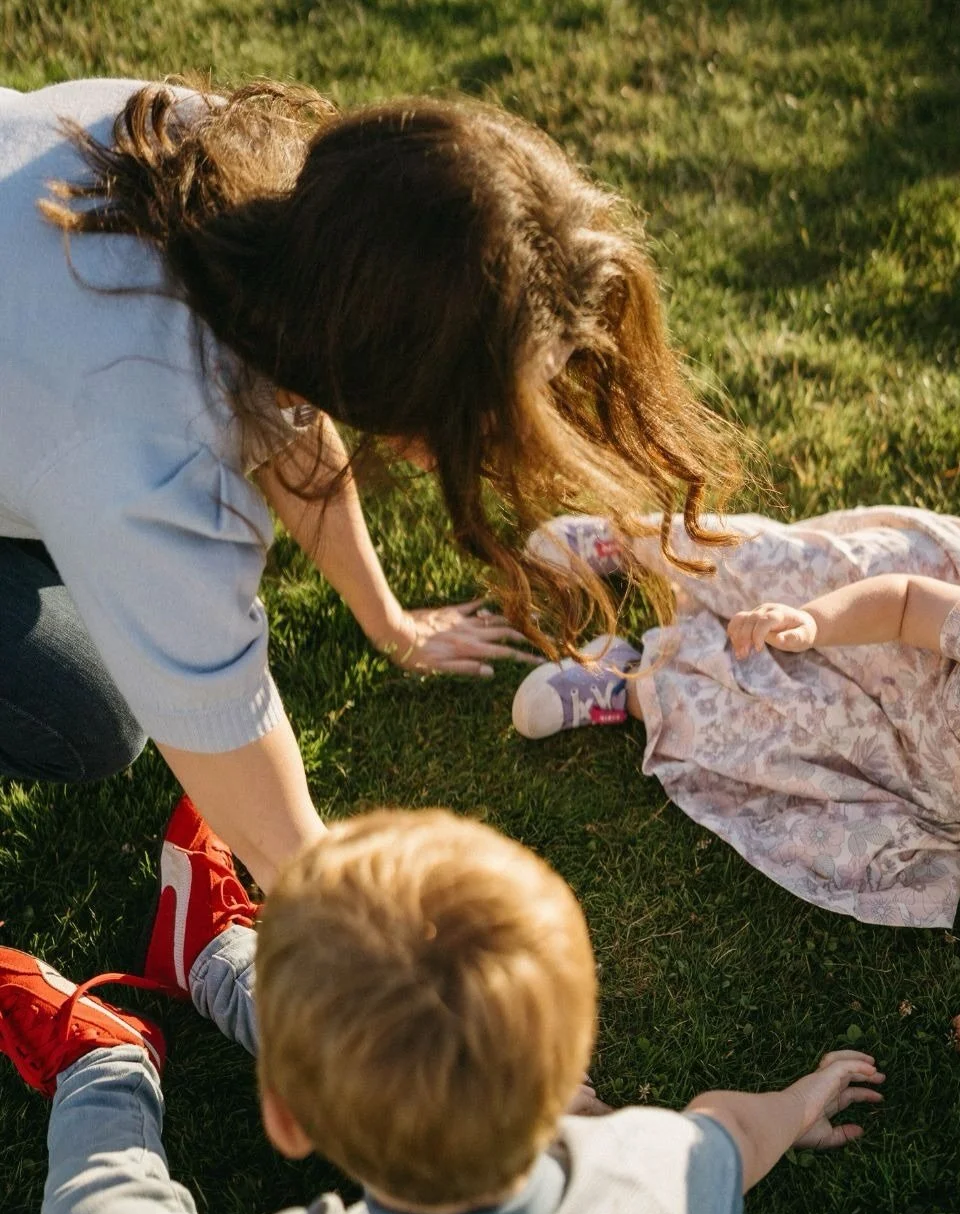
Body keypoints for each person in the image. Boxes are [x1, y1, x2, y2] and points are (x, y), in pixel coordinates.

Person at [0, 76, 743, 890]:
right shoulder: (149, 461)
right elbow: (282, 842)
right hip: (73, 413)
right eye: (487, 422)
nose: (495, 448)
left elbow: (291, 395)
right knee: (93, 715)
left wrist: (389, 621)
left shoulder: (257, 186)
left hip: (45, 378)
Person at [0, 806, 882, 1214]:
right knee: (595, 1125)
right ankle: (216, 960)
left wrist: (104, 1083)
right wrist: (800, 1102)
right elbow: (732, 1131)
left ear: (288, 1119)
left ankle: (105, 1058)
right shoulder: (655, 1186)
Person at [513, 506, 960, 1068]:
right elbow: (906, 603)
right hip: (901, 640)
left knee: (780, 750)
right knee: (784, 574)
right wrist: (814, 623)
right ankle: (638, 536)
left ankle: (628, 680)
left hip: (911, 762)